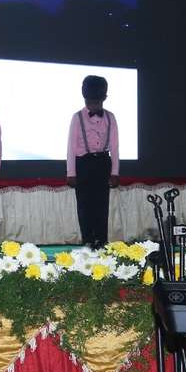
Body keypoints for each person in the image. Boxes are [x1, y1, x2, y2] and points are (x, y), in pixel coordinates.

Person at [67, 74, 119, 248]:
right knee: (84, 205)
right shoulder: (77, 117)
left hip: (103, 163)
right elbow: (71, 147)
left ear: (104, 98)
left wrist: (115, 172)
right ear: (84, 97)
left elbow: (115, 147)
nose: (93, 105)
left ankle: (102, 240)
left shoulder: (111, 117)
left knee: (102, 204)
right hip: (83, 164)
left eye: (96, 101)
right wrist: (71, 173)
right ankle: (87, 240)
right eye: (90, 101)